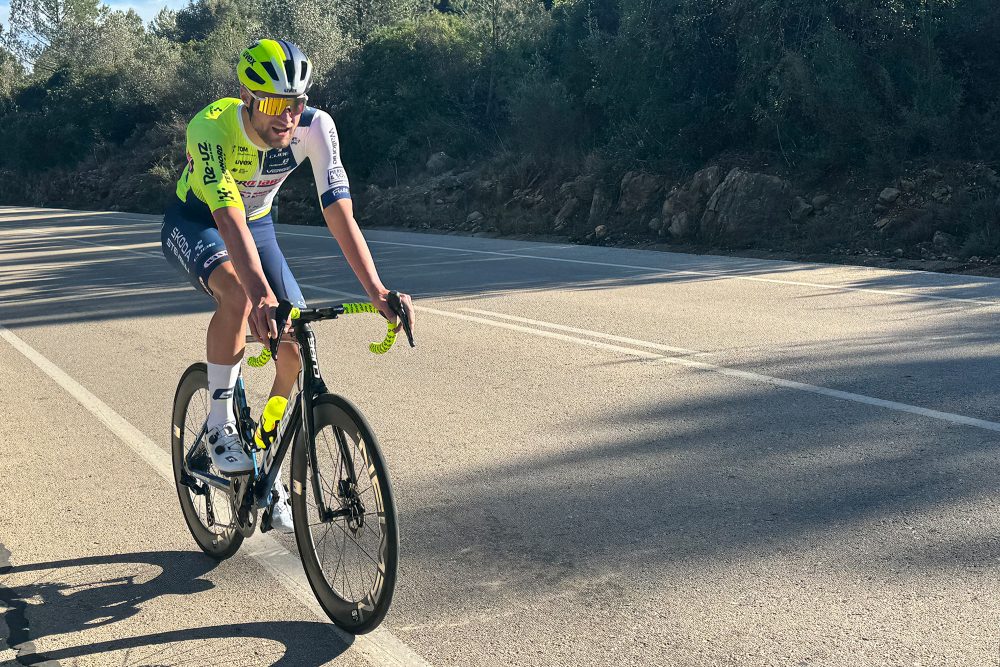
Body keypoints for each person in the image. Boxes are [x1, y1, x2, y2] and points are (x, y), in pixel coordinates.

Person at [160, 38, 414, 533]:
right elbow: (228, 222)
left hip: (259, 225)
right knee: (237, 292)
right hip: (199, 222)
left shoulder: (316, 128)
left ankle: (263, 456)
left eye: (295, 103)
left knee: (293, 346)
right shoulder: (210, 128)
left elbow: (340, 214)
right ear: (247, 96)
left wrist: (378, 291)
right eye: (275, 104)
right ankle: (219, 425)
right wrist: (260, 297)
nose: (287, 117)